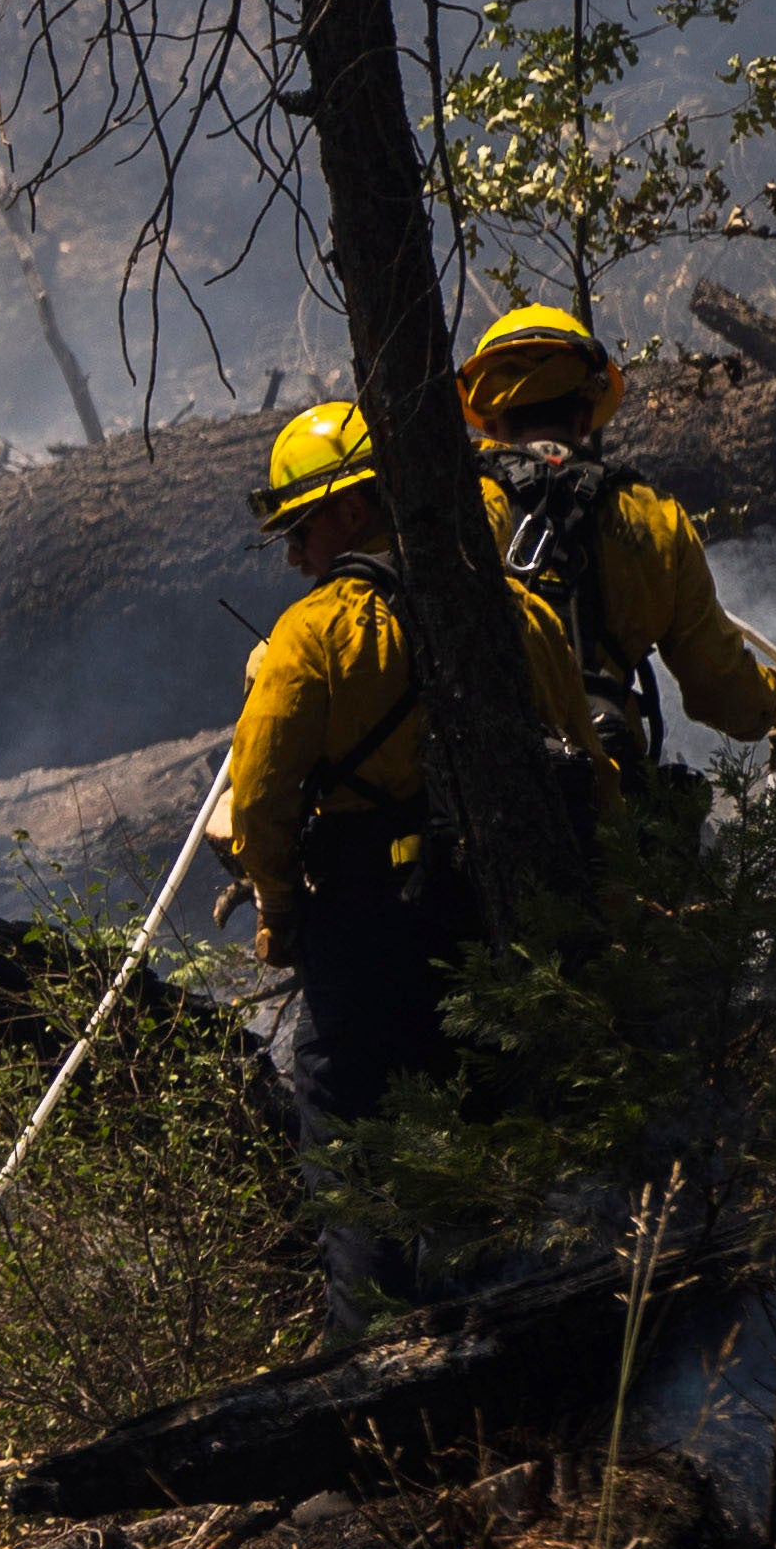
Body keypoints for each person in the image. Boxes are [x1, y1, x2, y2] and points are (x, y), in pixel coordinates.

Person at [212, 393, 600, 1156]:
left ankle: (376, 1279)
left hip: (363, 927)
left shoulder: (309, 635)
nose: (294, 554)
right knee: (498, 1128)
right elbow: (590, 766)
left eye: (301, 528)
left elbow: (258, 804)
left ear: (353, 509)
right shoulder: (515, 610)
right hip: (498, 918)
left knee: (350, 1148)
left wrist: (280, 908)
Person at [458, 301, 776, 798]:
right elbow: (721, 691)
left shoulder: (448, 510)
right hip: (605, 804)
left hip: (467, 798)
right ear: (586, 416)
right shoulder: (652, 517)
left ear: (489, 417)